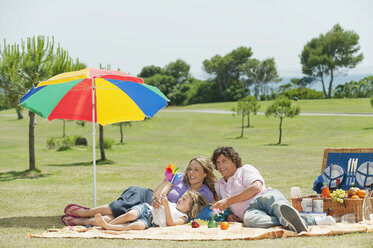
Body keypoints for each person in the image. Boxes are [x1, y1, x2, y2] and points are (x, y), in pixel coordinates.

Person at [62, 156, 218, 226]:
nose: (191, 173)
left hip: (160, 211)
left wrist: (162, 206)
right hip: (149, 196)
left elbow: (194, 212)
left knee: (119, 217)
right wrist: (166, 180)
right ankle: (84, 212)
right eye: (190, 168)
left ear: (205, 173)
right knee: (118, 208)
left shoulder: (206, 193)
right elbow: (158, 193)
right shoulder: (179, 177)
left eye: (196, 170)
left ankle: (81, 221)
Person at [210, 146, 336, 233]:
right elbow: (225, 207)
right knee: (250, 221)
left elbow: (256, 188)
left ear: (234, 161)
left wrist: (228, 201)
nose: (220, 166)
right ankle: (303, 220)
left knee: (278, 206)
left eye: (223, 161)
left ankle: (292, 218)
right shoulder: (219, 185)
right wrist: (230, 214)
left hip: (264, 197)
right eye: (218, 163)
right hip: (249, 211)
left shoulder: (245, 170)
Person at [95, 190, 209, 231]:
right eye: (182, 197)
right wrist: (158, 202)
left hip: (150, 220)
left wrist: (167, 207)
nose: (180, 199)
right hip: (145, 209)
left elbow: (171, 224)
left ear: (189, 208)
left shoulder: (183, 218)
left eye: (184, 200)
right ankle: (109, 224)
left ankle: (109, 226)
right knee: (131, 215)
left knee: (138, 226)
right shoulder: (173, 204)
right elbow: (155, 203)